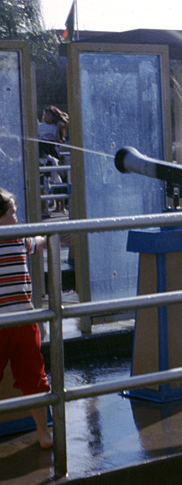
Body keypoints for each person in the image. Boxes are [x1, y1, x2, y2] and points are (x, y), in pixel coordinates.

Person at [0, 188, 53, 449]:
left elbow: (36, 242)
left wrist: (44, 238)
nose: (17, 218)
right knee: (34, 378)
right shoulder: (19, 239)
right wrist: (46, 238)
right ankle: (43, 433)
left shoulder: (19, 238)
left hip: (18, 321)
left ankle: (43, 432)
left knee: (34, 376)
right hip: (20, 319)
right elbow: (38, 243)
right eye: (13, 213)